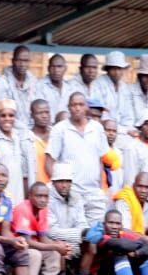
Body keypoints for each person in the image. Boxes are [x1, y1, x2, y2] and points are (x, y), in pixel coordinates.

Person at [46, 92, 110, 223]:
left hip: (93, 192)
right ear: (68, 107)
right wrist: (60, 189)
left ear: (87, 107)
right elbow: (49, 161)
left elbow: (102, 160)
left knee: (95, 235)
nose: (77, 108)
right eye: (74, 105)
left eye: (81, 104)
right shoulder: (60, 129)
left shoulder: (97, 128)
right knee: (74, 235)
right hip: (72, 192)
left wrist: (101, 188)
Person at [12, 181, 73, 275]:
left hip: (30, 246)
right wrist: (55, 246)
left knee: (54, 254)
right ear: (30, 196)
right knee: (35, 255)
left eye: (45, 196)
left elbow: (43, 238)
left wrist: (59, 246)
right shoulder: (22, 209)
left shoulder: (43, 210)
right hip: (16, 247)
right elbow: (27, 241)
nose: (43, 200)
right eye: (39, 196)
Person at [45, 163, 97, 275]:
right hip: (53, 242)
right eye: (60, 181)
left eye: (67, 181)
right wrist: (78, 234)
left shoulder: (76, 197)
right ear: (53, 182)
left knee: (91, 244)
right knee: (60, 245)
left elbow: (81, 222)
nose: (64, 185)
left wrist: (85, 233)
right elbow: (51, 231)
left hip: (73, 241)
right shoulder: (47, 197)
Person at [0, 99, 32, 203]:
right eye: (3, 115)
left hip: (19, 193)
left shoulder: (19, 137)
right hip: (0, 193)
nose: (7, 119)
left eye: (11, 115)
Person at [91, 51, 133, 128]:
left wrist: (127, 129)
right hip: (103, 128)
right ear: (108, 69)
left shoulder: (124, 87)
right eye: (113, 69)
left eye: (119, 69)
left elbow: (128, 114)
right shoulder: (98, 84)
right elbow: (98, 113)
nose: (117, 72)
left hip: (123, 129)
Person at [33, 54, 73, 121]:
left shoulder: (70, 88)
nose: (56, 70)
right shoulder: (39, 86)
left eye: (59, 66)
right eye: (53, 67)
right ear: (48, 68)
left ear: (65, 68)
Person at [127, 54, 148, 131]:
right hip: (131, 131)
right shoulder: (129, 92)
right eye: (146, 76)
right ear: (139, 76)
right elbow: (129, 121)